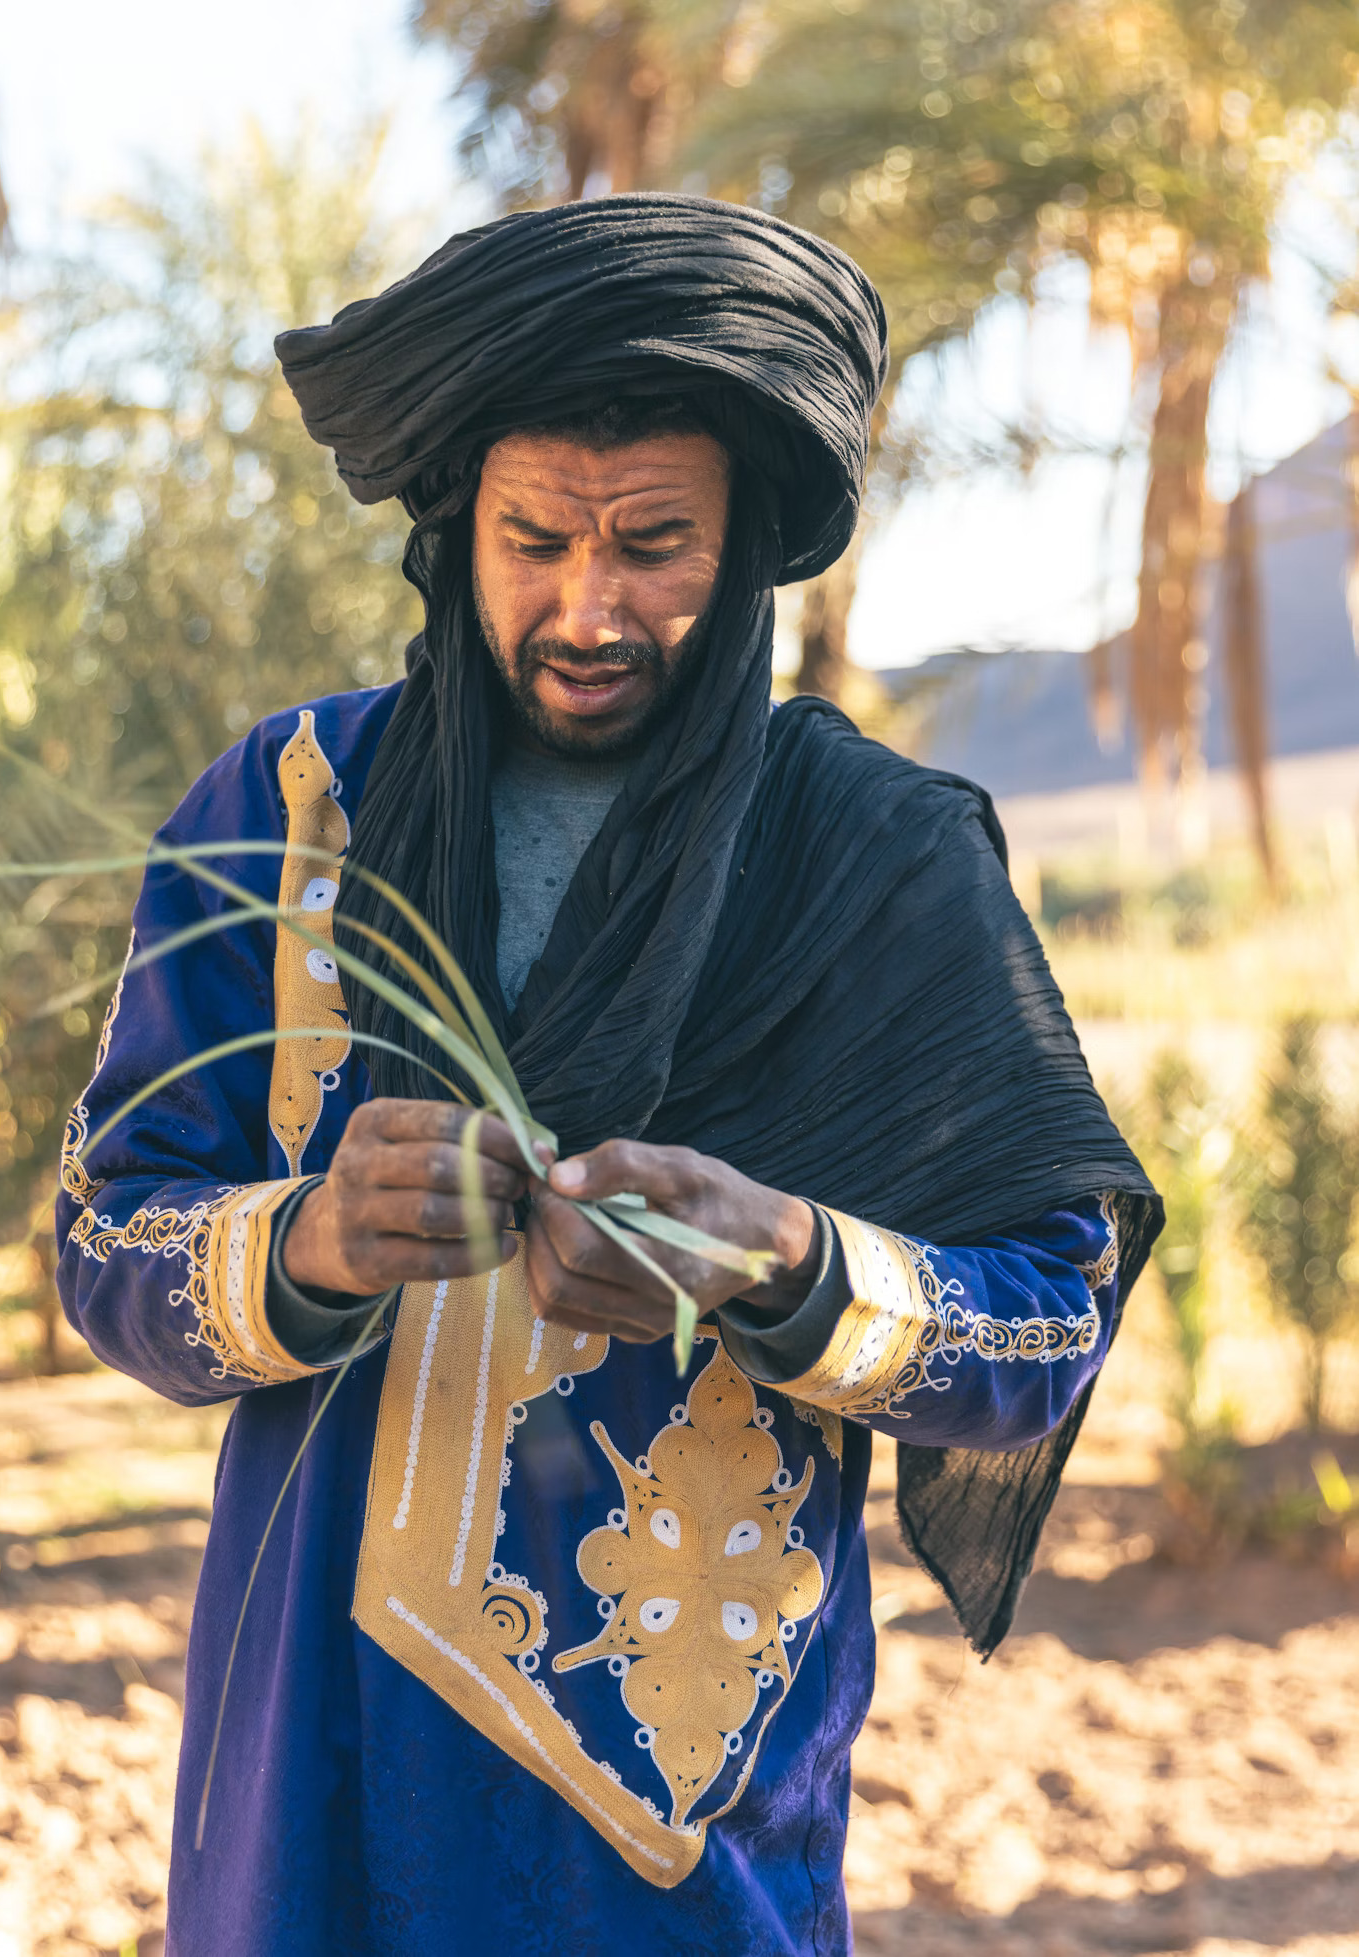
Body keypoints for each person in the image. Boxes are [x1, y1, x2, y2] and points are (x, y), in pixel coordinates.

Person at [57, 195, 1160, 1955]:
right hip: (308, 1788)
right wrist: (313, 1238)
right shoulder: (279, 818)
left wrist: (788, 1259)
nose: (591, 604)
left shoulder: (875, 857)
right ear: (451, 528)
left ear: (747, 551)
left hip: (676, 1819)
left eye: (654, 543)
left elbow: (1042, 1329)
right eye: (535, 541)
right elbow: (106, 1242)